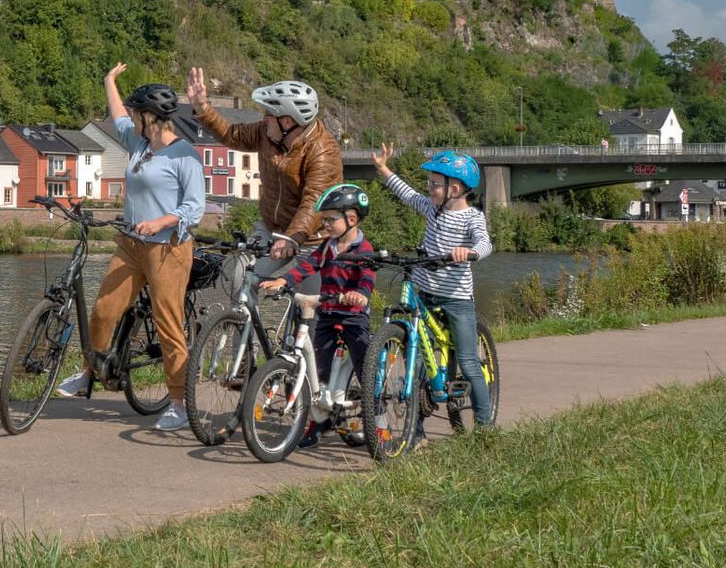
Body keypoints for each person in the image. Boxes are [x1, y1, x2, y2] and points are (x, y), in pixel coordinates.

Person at [55, 65, 206, 432]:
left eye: (138, 113)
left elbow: (195, 207)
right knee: (103, 310)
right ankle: (89, 372)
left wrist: (160, 221)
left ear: (149, 118)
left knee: (168, 324)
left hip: (168, 248)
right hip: (130, 244)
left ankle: (178, 403)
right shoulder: (140, 144)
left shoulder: (184, 155)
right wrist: (109, 81)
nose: (133, 118)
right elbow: (118, 117)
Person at [371, 144, 494, 435]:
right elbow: (407, 194)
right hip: (425, 292)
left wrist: (470, 252)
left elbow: (485, 243)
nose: (429, 188)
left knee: (467, 361)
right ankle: (416, 430)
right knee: (418, 359)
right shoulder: (431, 208)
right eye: (430, 182)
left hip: (457, 298)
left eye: (435, 183)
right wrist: (383, 169)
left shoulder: (472, 217)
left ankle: (485, 427)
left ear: (455, 189)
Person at [185, 68, 341, 276]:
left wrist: (292, 237)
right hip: (271, 228)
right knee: (243, 277)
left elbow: (315, 201)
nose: (264, 119)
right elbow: (233, 135)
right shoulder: (267, 133)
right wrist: (202, 108)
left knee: (309, 294)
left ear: (287, 121)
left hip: (312, 237)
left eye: (268, 114)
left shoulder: (323, 150)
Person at [259, 184, 376, 447]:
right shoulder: (327, 247)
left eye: (331, 219)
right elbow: (308, 266)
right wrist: (283, 280)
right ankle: (319, 422)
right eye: (324, 220)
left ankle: (376, 416)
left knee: (365, 366)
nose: (325, 225)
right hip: (328, 313)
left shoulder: (363, 249)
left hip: (353, 316)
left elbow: (367, 277)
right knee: (320, 372)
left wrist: (361, 294)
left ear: (351, 219)